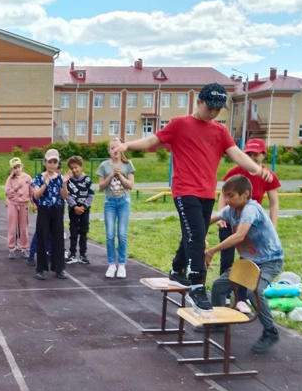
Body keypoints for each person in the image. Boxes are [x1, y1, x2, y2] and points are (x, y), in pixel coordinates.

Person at [111, 82, 274, 310]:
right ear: (198, 102)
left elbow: (236, 154)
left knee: (194, 233)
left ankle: (177, 270)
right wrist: (127, 145)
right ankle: (197, 287)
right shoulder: (180, 124)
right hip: (184, 190)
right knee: (197, 235)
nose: (214, 113)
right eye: (210, 108)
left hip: (206, 192)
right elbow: (152, 141)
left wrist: (257, 169)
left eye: (218, 110)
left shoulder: (220, 131)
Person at [204, 175, 284, 354]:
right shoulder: (231, 210)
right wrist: (192, 231)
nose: (227, 199)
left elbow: (239, 236)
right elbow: (209, 219)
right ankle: (219, 323)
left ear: (245, 194)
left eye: (231, 195)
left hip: (269, 261)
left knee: (253, 291)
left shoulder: (251, 210)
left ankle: (271, 332)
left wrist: (211, 251)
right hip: (248, 261)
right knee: (218, 286)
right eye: (225, 196)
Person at [219, 138, 281, 310]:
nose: (253, 158)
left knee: (246, 261)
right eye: (249, 154)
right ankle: (223, 295)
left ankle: (240, 298)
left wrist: (273, 226)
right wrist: (222, 216)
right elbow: (223, 195)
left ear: (263, 155)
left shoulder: (268, 175)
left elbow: (274, 203)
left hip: (250, 226)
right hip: (231, 220)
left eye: (256, 154)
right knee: (227, 257)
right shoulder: (236, 172)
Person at [96, 139, 134, 278]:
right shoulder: (104, 166)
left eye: (117, 147)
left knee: (122, 235)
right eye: (112, 148)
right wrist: (111, 175)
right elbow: (100, 186)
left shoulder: (127, 164)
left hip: (124, 202)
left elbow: (130, 185)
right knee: (110, 234)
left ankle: (122, 264)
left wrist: (120, 176)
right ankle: (112, 264)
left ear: (122, 149)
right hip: (110, 202)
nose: (115, 150)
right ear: (109, 151)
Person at [32, 148, 69, 280]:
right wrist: (45, 185)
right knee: (42, 237)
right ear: (45, 162)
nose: (52, 165)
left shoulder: (60, 178)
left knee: (58, 238)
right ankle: (40, 268)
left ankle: (59, 268)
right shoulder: (38, 178)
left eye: (55, 162)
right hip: (43, 209)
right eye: (50, 162)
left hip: (57, 209)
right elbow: (36, 195)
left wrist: (64, 184)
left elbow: (64, 196)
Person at [66, 155, 95, 266]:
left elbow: (91, 195)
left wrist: (84, 206)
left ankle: (83, 254)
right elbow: (67, 195)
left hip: (85, 210)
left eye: (76, 167)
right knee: (73, 232)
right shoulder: (68, 181)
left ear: (81, 166)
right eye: (72, 168)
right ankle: (72, 254)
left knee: (83, 232)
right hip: (73, 210)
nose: (74, 170)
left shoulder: (87, 180)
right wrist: (74, 206)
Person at [4, 157, 33, 259]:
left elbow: (31, 192)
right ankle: (11, 248)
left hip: (24, 205)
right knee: (12, 227)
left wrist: (34, 203)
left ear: (22, 166)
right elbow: (7, 193)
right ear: (12, 169)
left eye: (19, 166)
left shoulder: (27, 178)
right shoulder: (10, 179)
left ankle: (24, 248)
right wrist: (16, 187)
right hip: (13, 204)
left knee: (24, 228)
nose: (17, 169)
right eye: (15, 168)